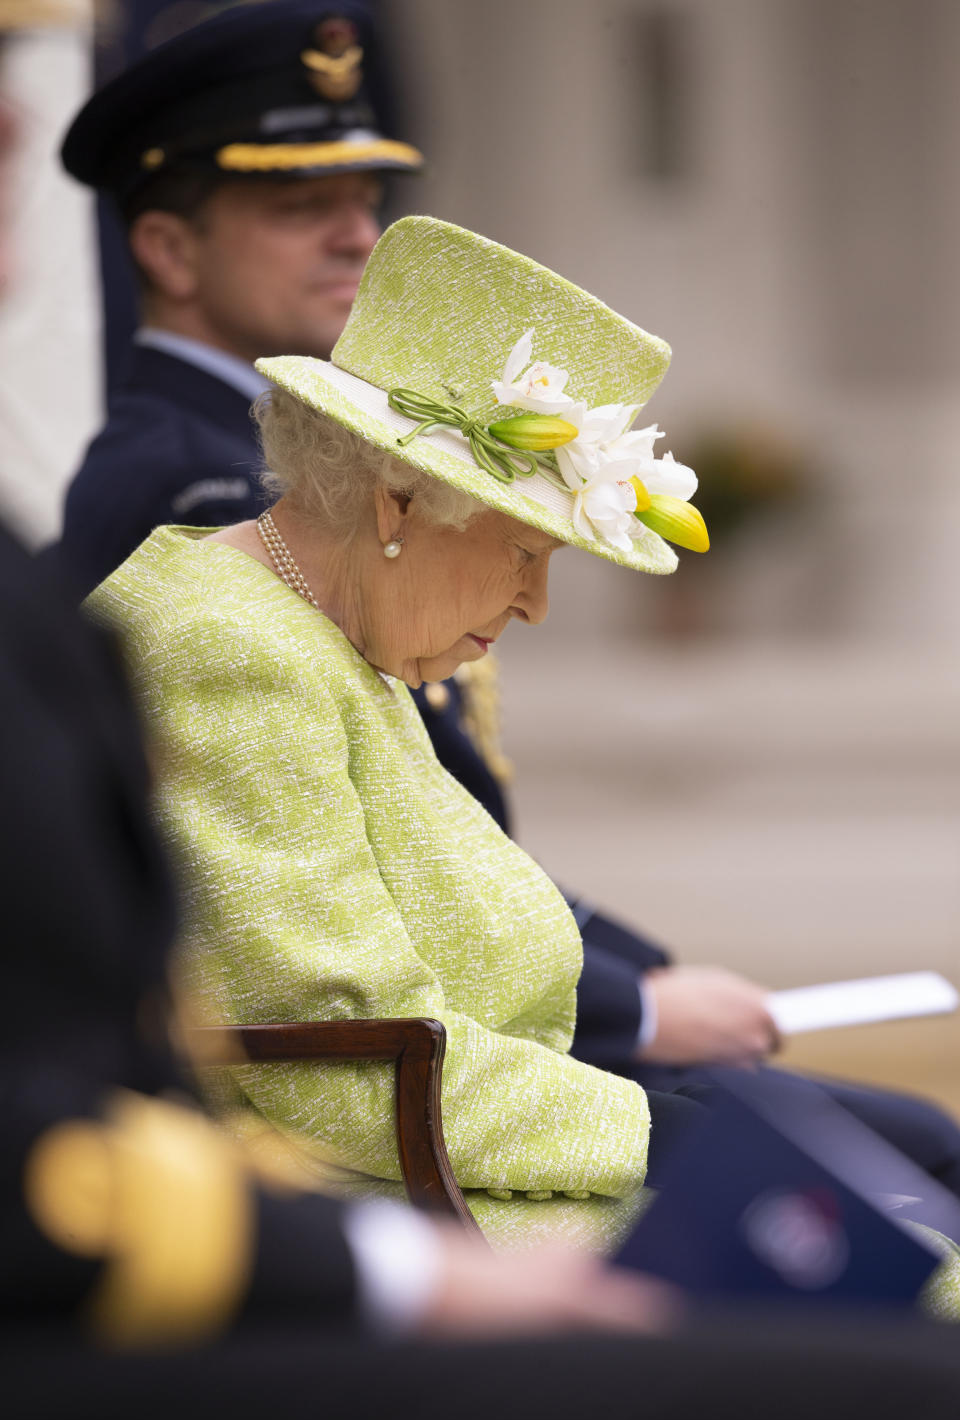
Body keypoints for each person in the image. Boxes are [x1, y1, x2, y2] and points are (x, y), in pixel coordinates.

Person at [84, 213, 960, 1310]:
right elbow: (343, 1072)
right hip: (437, 1222)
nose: (538, 606)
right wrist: (668, 1131)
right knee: (927, 1280)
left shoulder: (322, 626)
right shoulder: (229, 647)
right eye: (526, 555)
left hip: (500, 1162)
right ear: (398, 505)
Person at [417, 664, 960, 1197]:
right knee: (918, 1151)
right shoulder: (365, 663)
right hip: (518, 1062)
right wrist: (642, 1010)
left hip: (564, 1039)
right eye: (522, 567)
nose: (534, 603)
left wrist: (649, 978)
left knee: (923, 1137)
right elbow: (433, 906)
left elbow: (495, 880)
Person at [57, 0, 422, 595]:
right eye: (303, 207)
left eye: (367, 202)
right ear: (171, 251)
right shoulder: (198, 488)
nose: (361, 238)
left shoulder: (235, 453)